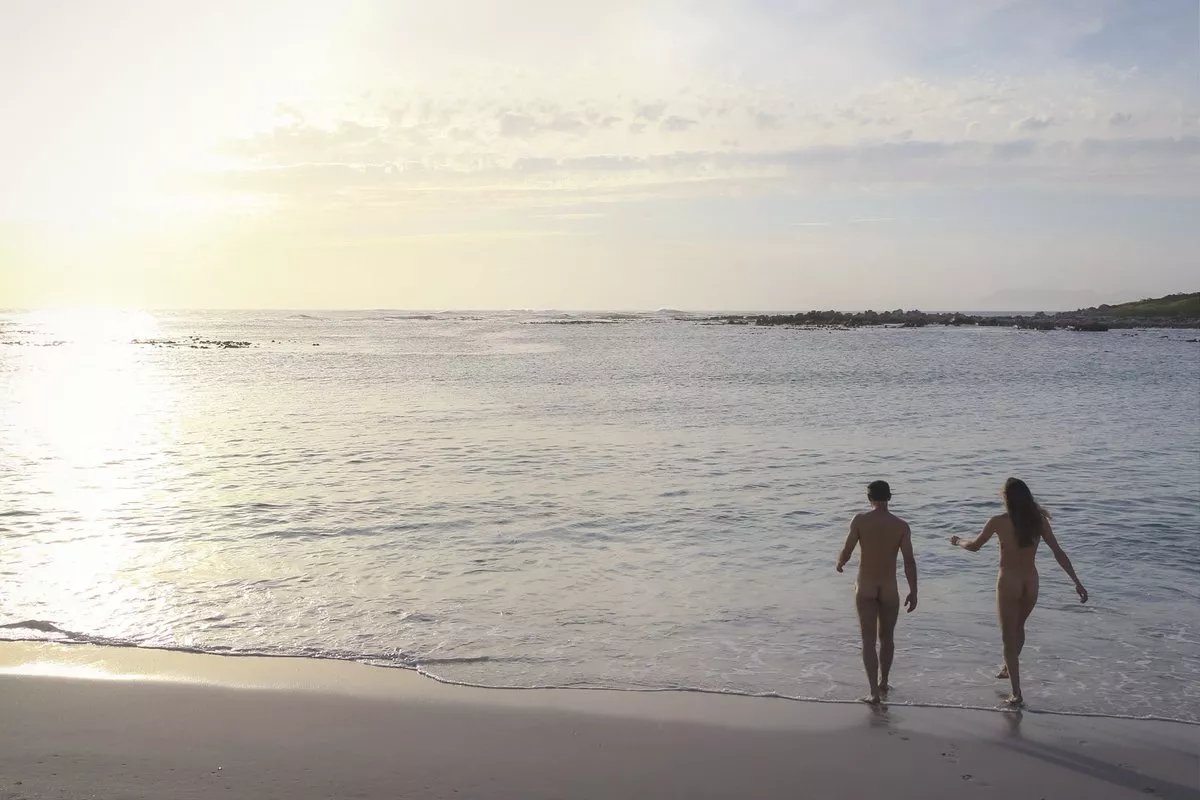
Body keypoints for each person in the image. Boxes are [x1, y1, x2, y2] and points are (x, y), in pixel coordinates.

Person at [950, 477, 1088, 707]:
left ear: (1006, 497)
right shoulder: (1039, 521)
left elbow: (974, 546)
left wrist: (957, 541)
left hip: (1009, 582)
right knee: (1018, 628)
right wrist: (1077, 582)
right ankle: (1007, 667)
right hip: (1031, 583)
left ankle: (1016, 693)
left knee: (1008, 637)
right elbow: (1058, 552)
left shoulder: (997, 522)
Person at [836, 480, 918, 704]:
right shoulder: (901, 526)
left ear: (869, 498)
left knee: (868, 640)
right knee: (887, 638)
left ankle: (873, 692)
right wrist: (913, 591)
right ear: (889, 497)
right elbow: (909, 562)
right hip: (889, 588)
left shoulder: (860, 520)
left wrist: (841, 562)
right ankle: (884, 681)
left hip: (866, 586)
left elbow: (848, 549)